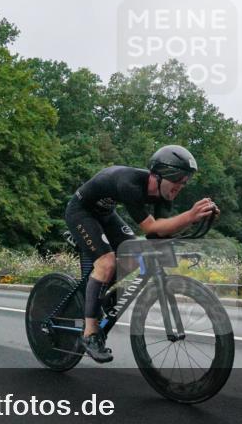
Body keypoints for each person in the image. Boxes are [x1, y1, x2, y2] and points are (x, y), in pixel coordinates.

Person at [65, 145, 218, 363]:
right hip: (81, 212)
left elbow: (160, 235)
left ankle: (102, 298)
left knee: (137, 253)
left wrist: (198, 220)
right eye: (177, 180)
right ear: (158, 175)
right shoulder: (130, 184)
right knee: (106, 262)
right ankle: (90, 334)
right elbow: (151, 229)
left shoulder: (165, 195)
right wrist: (189, 216)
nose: (180, 186)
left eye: (185, 181)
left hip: (106, 214)